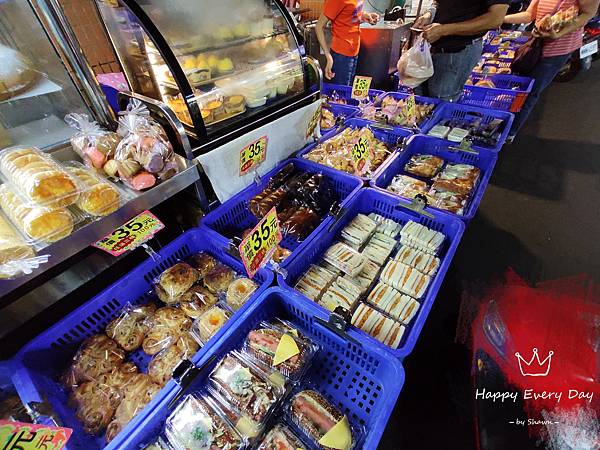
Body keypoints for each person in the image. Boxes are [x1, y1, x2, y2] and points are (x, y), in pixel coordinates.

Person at [504, 0, 600, 140]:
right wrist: (499, 19)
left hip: (556, 51)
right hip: (535, 45)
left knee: (531, 91)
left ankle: (509, 132)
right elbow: (529, 15)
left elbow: (588, 14)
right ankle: (505, 120)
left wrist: (558, 34)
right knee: (519, 85)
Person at [412, 0, 511, 100]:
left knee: (440, 101)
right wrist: (429, 14)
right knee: (421, 101)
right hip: (431, 49)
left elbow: (495, 19)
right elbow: (439, 3)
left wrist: (443, 30)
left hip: (457, 51)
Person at [315, 1, 379, 85]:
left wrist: (363, 16)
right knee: (341, 95)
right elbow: (319, 27)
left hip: (354, 51)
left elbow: (349, 13)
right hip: (341, 55)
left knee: (349, 93)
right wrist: (328, 56)